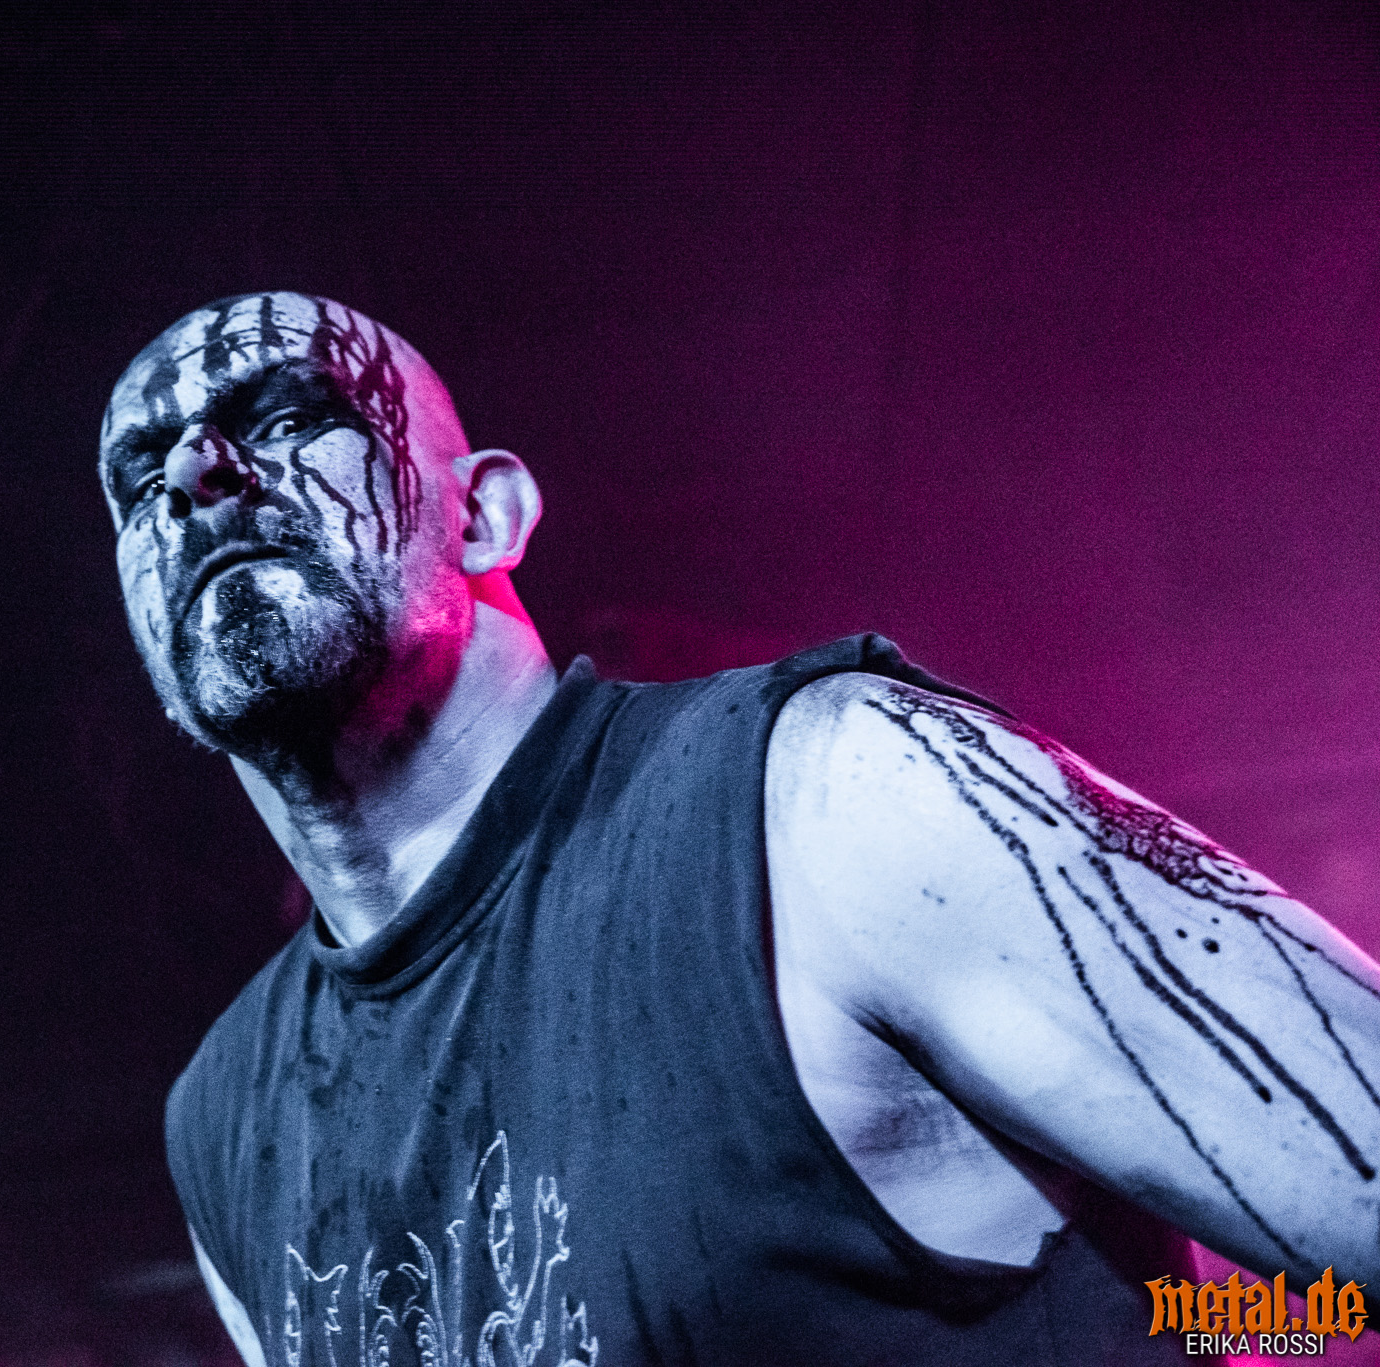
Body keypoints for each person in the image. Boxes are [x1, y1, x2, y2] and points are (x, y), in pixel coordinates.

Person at [97, 292, 1380, 1364]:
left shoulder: (834, 794)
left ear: (483, 514)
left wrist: (1207, 1331)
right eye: (139, 478)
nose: (196, 476)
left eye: (288, 417)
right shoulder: (221, 1121)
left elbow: (1322, 1282)